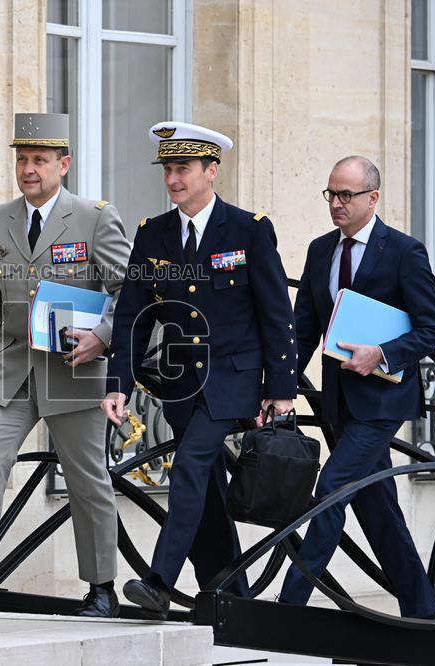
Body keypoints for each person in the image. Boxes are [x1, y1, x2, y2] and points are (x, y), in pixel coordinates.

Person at [0, 113, 131, 617]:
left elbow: (129, 293)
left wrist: (102, 338)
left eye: (39, 160)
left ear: (64, 164)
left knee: (86, 480)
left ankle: (101, 587)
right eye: (22, 160)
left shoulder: (96, 217)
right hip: (11, 370)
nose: (29, 169)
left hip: (74, 370)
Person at [102, 121, 297, 619]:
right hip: (181, 385)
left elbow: (277, 314)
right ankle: (232, 596)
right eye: (168, 169)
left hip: (231, 380)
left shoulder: (249, 229)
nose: (173, 179)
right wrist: (118, 385)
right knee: (205, 491)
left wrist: (282, 387)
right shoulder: (153, 234)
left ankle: (158, 581)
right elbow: (130, 318)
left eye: (183, 168)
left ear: (212, 170)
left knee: (188, 468)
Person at [277, 155, 435, 619]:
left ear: (373, 198)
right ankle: (423, 610)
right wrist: (280, 387)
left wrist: (383, 353)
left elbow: (434, 329)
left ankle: (291, 603)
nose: (336, 203)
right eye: (331, 193)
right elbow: (304, 329)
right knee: (378, 509)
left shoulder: (405, 251)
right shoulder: (320, 250)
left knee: (331, 486)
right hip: (339, 401)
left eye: (346, 195)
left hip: (383, 400)